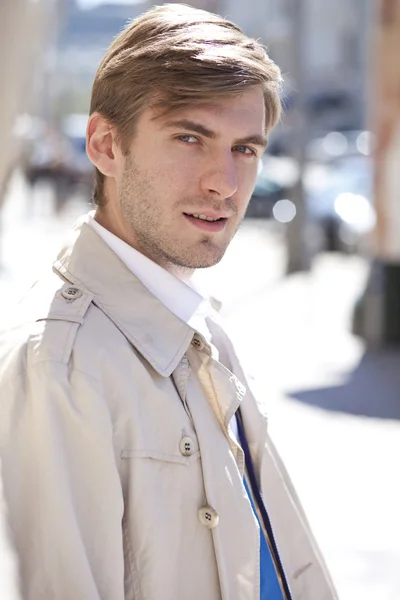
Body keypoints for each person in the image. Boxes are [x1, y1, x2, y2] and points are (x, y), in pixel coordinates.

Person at [0, 4, 337, 599]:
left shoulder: (196, 318)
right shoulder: (59, 363)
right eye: (190, 138)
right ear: (105, 144)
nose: (225, 183)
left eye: (245, 150)